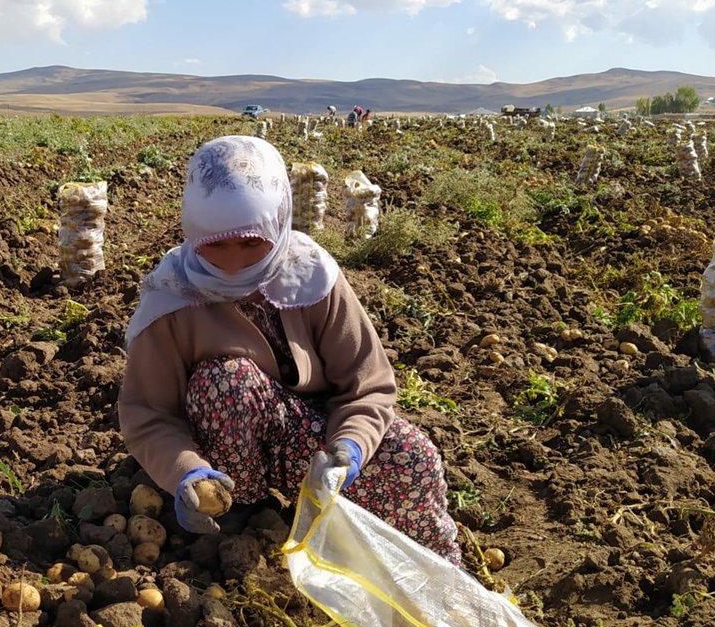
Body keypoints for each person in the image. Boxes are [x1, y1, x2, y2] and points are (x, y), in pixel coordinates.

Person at [117, 136, 462, 565]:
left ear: (279, 221)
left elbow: (367, 383)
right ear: (193, 231)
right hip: (227, 456)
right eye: (215, 244)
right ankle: (242, 512)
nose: (233, 263)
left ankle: (441, 569)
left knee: (414, 456)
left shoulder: (311, 274)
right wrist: (187, 471)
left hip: (312, 439)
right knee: (226, 381)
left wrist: (349, 446)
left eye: (250, 242)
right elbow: (149, 415)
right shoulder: (172, 298)